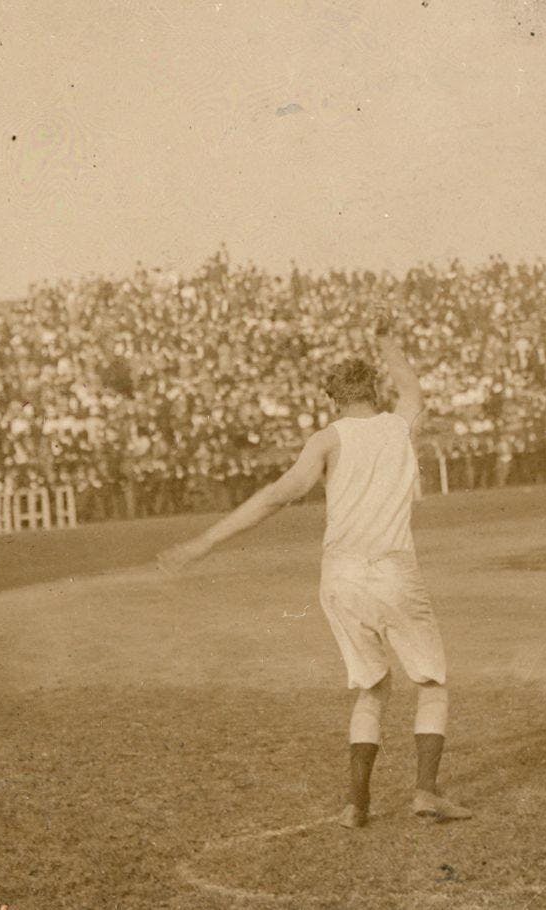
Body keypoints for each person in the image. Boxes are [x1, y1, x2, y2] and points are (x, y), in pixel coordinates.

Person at [158, 312, 471, 829]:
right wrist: (389, 342)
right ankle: (425, 792)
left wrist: (204, 542)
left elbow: (274, 498)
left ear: (333, 398)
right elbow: (412, 389)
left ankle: (356, 804)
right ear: (374, 388)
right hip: (392, 569)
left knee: (371, 689)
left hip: (339, 576)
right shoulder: (397, 425)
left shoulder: (326, 440)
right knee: (432, 681)